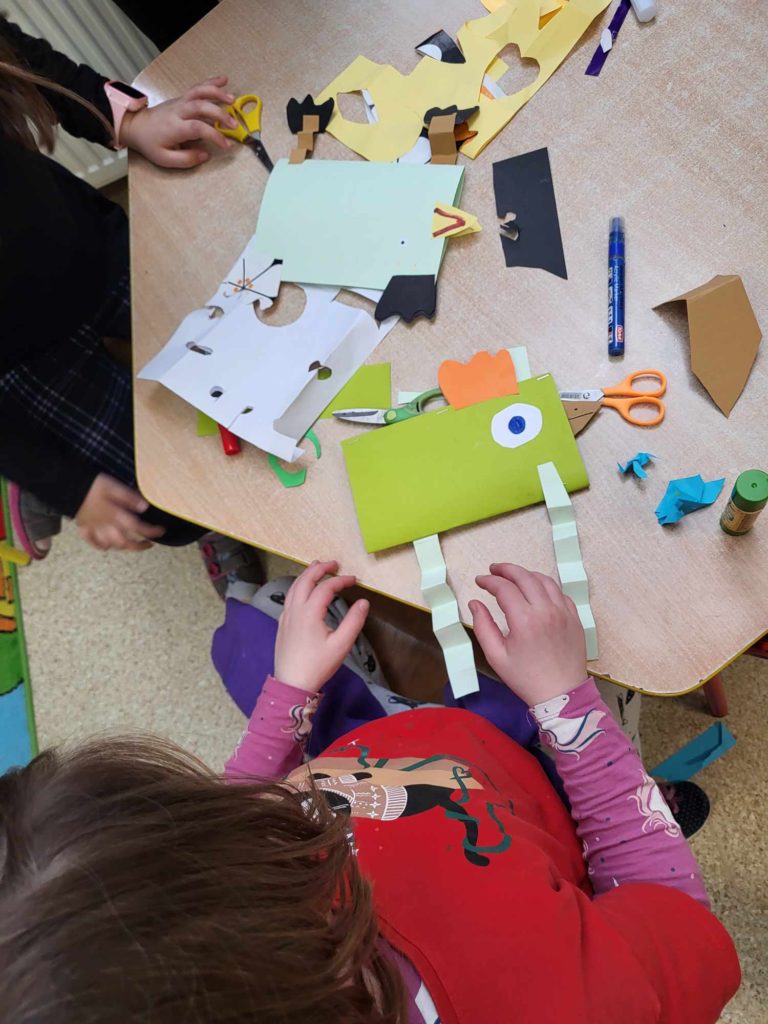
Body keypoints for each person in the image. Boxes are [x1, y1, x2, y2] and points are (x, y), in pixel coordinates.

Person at [0, 561, 739, 1023]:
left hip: (444, 766)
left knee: (245, 640)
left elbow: (238, 816)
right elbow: (674, 912)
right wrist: (568, 706)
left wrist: (287, 698)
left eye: (197, 820)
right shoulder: (563, 1000)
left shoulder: (226, 878)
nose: (238, 817)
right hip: (559, 823)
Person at [0, 16, 255, 577]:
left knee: (255, 348)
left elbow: (20, 54)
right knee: (170, 513)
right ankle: (31, 475)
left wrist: (129, 120)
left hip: (86, 248)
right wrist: (62, 482)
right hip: (21, 361)